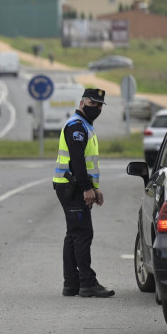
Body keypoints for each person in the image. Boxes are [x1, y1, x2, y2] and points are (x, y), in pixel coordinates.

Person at [53, 88, 115, 298]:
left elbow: (88, 164)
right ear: (82, 103)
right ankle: (87, 283)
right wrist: (87, 188)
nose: (96, 108)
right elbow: (77, 161)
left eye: (99, 105)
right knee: (82, 234)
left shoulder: (85, 126)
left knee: (74, 234)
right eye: (93, 103)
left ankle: (71, 284)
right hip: (72, 187)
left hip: (72, 185)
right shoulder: (76, 127)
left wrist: (95, 187)